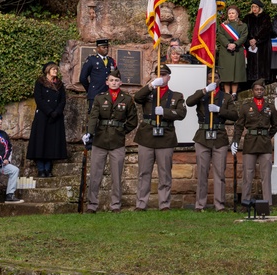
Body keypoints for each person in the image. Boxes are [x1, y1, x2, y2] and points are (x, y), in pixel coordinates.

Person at [133, 64, 187, 211]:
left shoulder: (176, 95)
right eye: (158, 75)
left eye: (164, 75)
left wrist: (165, 112)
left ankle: (164, 204)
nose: (161, 77)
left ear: (169, 77)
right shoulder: (149, 93)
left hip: (166, 137)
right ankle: (141, 204)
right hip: (147, 136)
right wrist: (150, 86)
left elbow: (181, 113)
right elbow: (137, 98)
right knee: (144, 172)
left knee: (165, 173)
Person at [83, 69, 138, 213]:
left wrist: (121, 130)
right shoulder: (100, 98)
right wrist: (90, 132)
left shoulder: (127, 99)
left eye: (116, 81)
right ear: (107, 82)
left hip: (117, 141)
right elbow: (93, 116)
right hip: (100, 139)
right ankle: (92, 205)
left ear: (120, 83)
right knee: (95, 174)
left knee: (116, 175)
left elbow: (133, 121)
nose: (114, 83)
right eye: (111, 80)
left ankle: (115, 205)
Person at [187, 72, 237, 211]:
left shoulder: (226, 97)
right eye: (209, 78)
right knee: (202, 172)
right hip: (203, 137)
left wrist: (220, 110)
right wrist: (204, 91)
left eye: (215, 78)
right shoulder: (202, 94)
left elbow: (234, 115)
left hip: (219, 137)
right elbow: (189, 102)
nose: (212, 80)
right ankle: (200, 204)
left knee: (220, 173)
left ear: (220, 80)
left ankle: (219, 204)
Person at [232, 79, 277, 207]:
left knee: (266, 175)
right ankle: (245, 203)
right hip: (250, 143)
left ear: (264, 91)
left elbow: (275, 125)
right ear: (252, 91)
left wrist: (267, 136)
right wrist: (235, 141)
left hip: (264, 144)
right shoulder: (246, 107)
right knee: (248, 174)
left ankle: (267, 204)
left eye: (261, 90)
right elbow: (239, 126)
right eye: (257, 90)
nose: (259, 92)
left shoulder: (270, 106)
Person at [26, 62, 68, 178]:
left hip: (56, 117)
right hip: (43, 116)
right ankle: (41, 168)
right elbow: (39, 99)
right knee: (40, 142)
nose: (56, 71)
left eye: (56, 69)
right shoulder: (40, 83)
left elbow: (63, 100)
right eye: (53, 69)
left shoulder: (59, 84)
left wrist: (57, 112)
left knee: (52, 143)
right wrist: (49, 111)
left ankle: (48, 168)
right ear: (48, 70)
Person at [216, 5, 248, 96]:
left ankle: (234, 93)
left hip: (238, 50)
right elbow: (220, 36)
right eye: (229, 13)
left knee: (236, 73)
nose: (231, 15)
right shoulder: (223, 26)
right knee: (226, 73)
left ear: (237, 15)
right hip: (226, 51)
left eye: (233, 13)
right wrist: (228, 44)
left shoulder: (243, 25)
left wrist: (235, 44)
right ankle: (226, 94)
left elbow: (244, 36)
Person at [79, 39, 119, 110]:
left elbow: (117, 75)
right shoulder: (92, 60)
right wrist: (90, 89)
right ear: (98, 48)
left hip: (108, 94)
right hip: (95, 94)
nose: (106, 49)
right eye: (103, 47)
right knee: (94, 117)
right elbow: (83, 78)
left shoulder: (111, 61)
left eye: (107, 47)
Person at [244, 0, 273, 83]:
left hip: (263, 44)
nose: (254, 9)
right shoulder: (247, 18)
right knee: (252, 62)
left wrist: (256, 39)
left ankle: (263, 80)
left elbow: (266, 30)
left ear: (260, 8)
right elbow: (245, 30)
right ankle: (252, 81)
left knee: (263, 63)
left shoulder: (265, 17)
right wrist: (250, 40)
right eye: (253, 7)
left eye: (256, 7)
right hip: (251, 44)